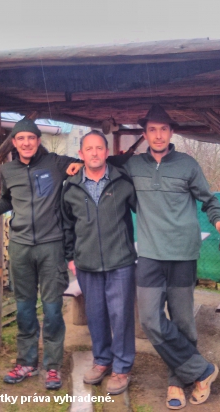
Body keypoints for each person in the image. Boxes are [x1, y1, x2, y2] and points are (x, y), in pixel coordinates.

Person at [69, 104, 220, 409]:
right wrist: (74, 163)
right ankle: (202, 371)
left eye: (163, 129)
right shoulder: (133, 166)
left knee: (182, 321)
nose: (158, 135)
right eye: (152, 130)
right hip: (150, 256)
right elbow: (100, 160)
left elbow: (209, 200)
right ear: (145, 134)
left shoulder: (188, 165)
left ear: (171, 133)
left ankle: (176, 384)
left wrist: (218, 219)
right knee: (151, 321)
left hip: (182, 254)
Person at [0, 118, 81, 390]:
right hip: (20, 247)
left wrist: (80, 165)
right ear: (14, 143)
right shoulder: (9, 170)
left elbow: (86, 160)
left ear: (38, 140)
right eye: (21, 138)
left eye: (31, 137)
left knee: (52, 309)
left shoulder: (55, 163)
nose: (26, 142)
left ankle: (53, 367)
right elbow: (7, 201)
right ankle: (27, 362)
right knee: (24, 308)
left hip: (52, 247)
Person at [61, 130, 137, 395]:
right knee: (95, 315)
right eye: (88, 149)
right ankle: (102, 361)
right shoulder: (70, 187)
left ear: (107, 152)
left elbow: (145, 210)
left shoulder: (123, 181)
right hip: (87, 264)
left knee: (122, 315)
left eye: (99, 148)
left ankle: (122, 367)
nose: (94, 153)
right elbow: (67, 226)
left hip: (121, 262)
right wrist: (71, 257)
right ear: (81, 155)